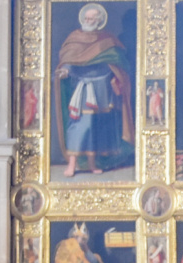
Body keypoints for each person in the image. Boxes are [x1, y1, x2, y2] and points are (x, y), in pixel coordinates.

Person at [54, 2, 133, 175]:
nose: (88, 20)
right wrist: (65, 71)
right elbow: (68, 59)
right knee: (77, 125)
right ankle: (72, 163)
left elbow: (118, 61)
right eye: (87, 18)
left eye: (92, 18)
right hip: (81, 87)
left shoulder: (108, 40)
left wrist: (116, 73)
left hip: (102, 89)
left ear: (99, 21)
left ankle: (92, 163)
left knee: (97, 125)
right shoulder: (74, 38)